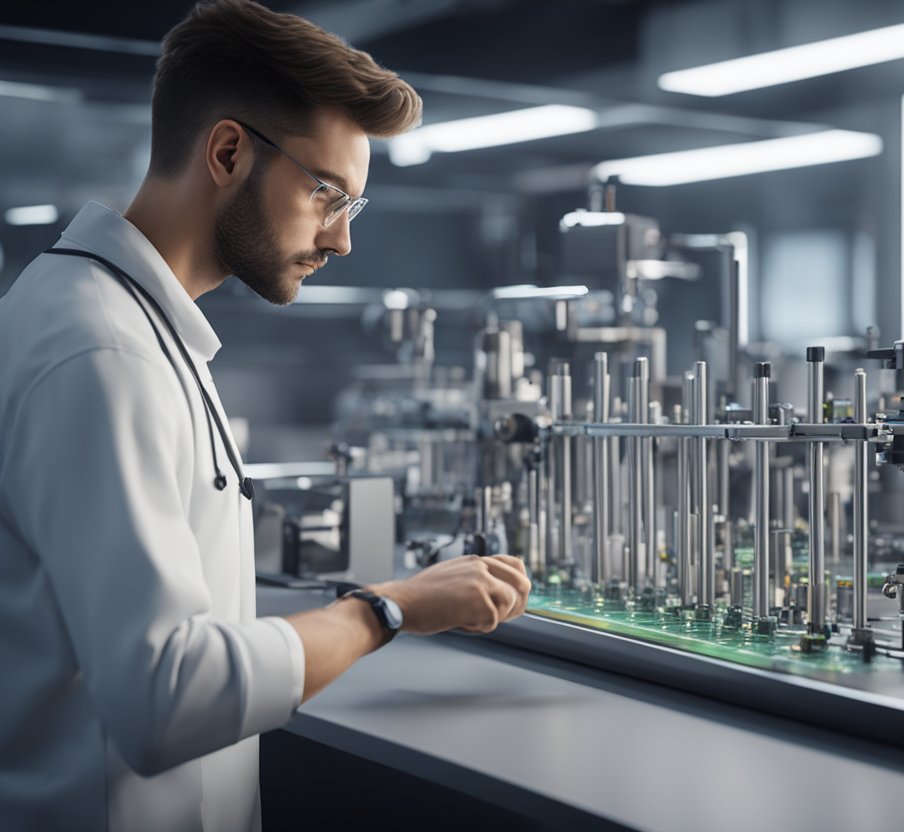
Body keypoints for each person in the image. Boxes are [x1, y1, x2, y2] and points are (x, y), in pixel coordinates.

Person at [0, 1, 531, 829]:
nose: (341, 241)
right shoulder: (105, 354)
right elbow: (165, 695)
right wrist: (386, 609)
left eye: (352, 208)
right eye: (328, 194)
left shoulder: (129, 323)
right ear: (226, 152)